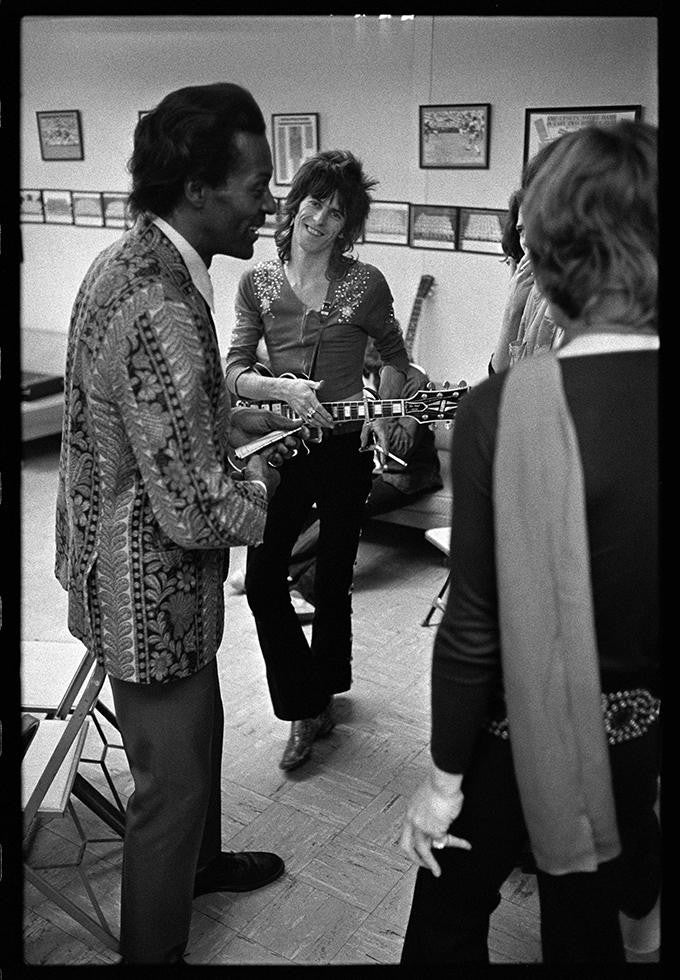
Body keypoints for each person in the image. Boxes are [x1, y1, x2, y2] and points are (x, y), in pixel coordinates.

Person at [55, 82, 307, 965]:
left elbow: (149, 419)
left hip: (137, 572)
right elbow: (199, 506)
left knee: (197, 744)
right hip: (145, 592)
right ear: (197, 190)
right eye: (255, 184)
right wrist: (270, 471)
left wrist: (228, 419)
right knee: (170, 791)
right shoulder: (162, 301)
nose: (268, 203)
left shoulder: (132, 264)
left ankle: (201, 869)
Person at [399, 120, 659, 964]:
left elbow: (474, 625)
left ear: (544, 252)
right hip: (643, 736)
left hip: (520, 738)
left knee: (444, 926)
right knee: (587, 931)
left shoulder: (503, 409)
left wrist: (441, 782)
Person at [225, 149, 410, 772]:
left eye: (338, 212)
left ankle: (321, 698)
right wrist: (277, 389)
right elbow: (234, 370)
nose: (323, 218)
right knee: (261, 579)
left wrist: (383, 411)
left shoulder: (366, 283)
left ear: (348, 225)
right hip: (281, 450)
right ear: (295, 202)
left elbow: (394, 355)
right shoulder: (259, 283)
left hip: (345, 447)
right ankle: (302, 698)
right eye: (315, 203)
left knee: (334, 578)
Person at [286, 357, 443, 610]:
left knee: (345, 511)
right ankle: (284, 571)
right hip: (370, 469)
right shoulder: (361, 376)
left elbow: (402, 447)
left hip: (404, 476)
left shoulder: (416, 382)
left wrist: (378, 412)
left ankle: (304, 588)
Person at [489, 142, 564, 374]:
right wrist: (512, 310)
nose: (527, 240)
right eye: (522, 230)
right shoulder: (536, 292)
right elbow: (499, 378)